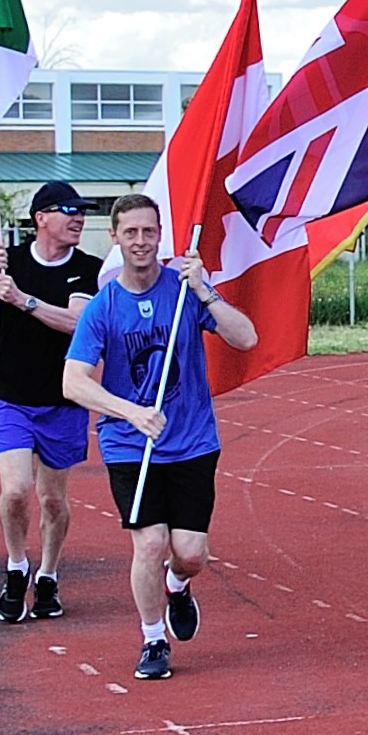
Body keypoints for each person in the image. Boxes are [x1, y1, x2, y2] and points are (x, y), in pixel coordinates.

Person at [62, 194, 258, 683]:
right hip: (131, 444)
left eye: (149, 232)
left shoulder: (185, 291)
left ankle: (177, 585)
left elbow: (247, 337)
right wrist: (130, 412)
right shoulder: (104, 306)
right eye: (130, 232)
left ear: (160, 236)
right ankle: (153, 639)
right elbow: (73, 381)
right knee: (149, 543)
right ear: (114, 238)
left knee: (190, 553)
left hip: (192, 440)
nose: (141, 241)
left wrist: (207, 293)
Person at [0, 180, 103, 623]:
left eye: (82, 211)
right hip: (9, 397)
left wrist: (22, 300)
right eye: (69, 210)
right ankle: (16, 567)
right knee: (15, 491)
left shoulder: (88, 267)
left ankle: (48, 574)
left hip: (62, 398)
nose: (79, 218)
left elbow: (76, 322)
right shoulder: (8, 262)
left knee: (53, 499)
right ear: (41, 218)